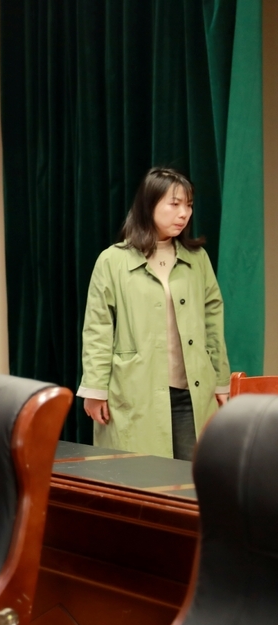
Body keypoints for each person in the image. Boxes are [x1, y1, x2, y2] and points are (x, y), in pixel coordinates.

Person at [78, 167, 231, 460]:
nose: (184, 213)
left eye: (189, 205)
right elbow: (98, 328)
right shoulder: (112, 261)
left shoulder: (197, 259)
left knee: (193, 477)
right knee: (139, 477)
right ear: (149, 205)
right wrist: (95, 389)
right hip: (136, 391)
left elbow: (213, 321)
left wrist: (220, 380)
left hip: (191, 392)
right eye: (175, 204)